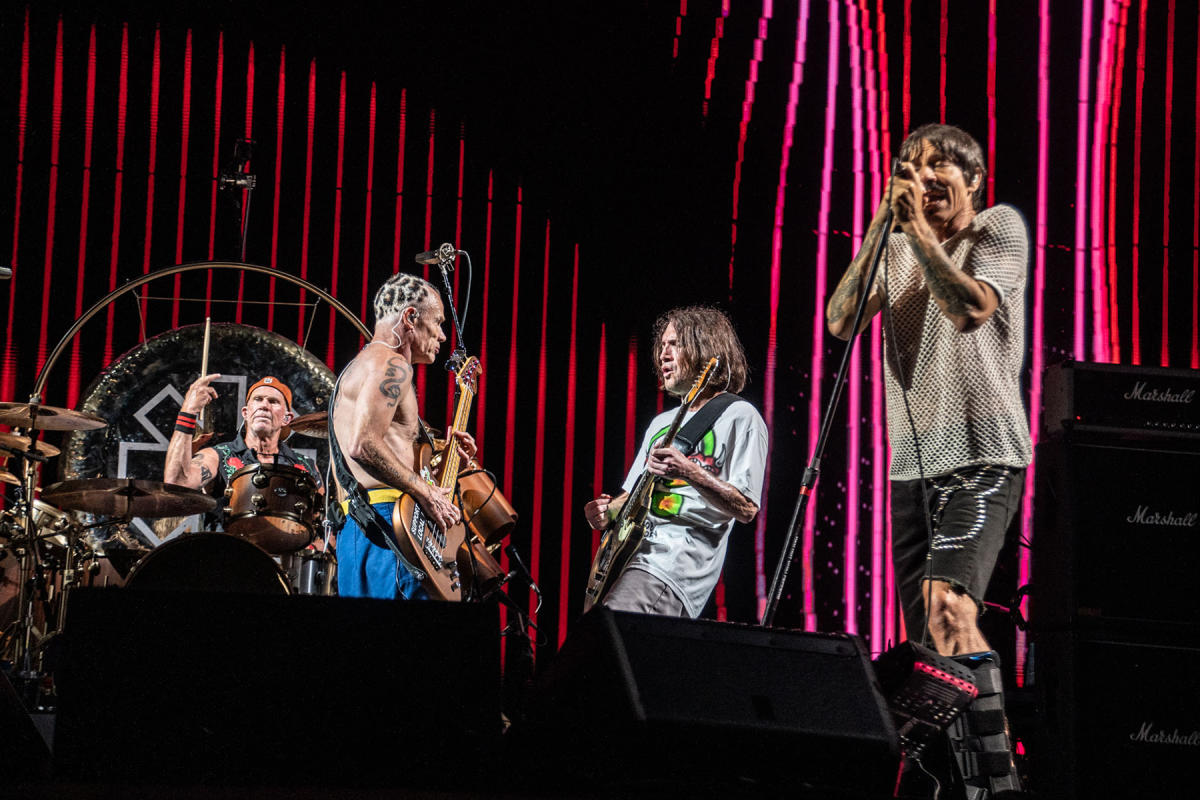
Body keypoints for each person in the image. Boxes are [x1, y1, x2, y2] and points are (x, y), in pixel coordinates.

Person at [827, 123, 1029, 797]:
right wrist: (881, 230)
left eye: (941, 165)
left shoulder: (999, 228)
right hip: (910, 468)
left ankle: (998, 789)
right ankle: (949, 783)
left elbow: (970, 308)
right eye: (912, 167)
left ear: (973, 180)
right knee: (931, 653)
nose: (925, 175)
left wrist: (917, 235)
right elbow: (841, 321)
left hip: (984, 455)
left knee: (950, 611)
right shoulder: (897, 245)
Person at [584, 306, 768, 618]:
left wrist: (689, 471)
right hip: (629, 559)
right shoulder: (661, 424)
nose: (663, 355)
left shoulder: (740, 416)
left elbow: (747, 508)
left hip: (673, 565)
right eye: (662, 346)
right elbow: (633, 495)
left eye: (675, 344)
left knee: (608, 639)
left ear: (706, 348)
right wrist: (605, 511)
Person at [329, 272, 475, 600]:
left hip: (370, 525)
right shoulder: (391, 364)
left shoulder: (370, 363)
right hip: (385, 526)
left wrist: (441, 470)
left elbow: (383, 454)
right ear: (410, 317)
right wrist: (428, 492)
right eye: (437, 323)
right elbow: (363, 444)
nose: (441, 335)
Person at [164, 374, 321, 500]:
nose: (264, 405)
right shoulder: (218, 455)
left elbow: (320, 522)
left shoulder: (305, 465)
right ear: (245, 413)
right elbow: (177, 483)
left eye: (273, 402)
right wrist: (188, 411)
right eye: (258, 399)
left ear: (287, 419)